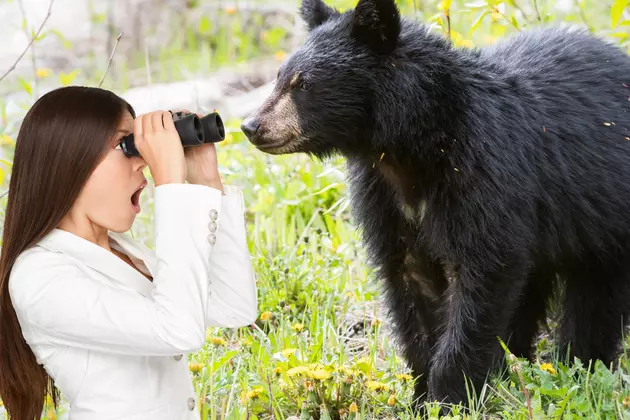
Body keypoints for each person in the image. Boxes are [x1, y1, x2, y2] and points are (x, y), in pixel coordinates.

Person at [0, 86, 258, 420]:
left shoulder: (126, 253)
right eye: (127, 146)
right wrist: (171, 187)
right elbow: (178, 330)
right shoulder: (38, 276)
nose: (144, 165)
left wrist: (207, 180)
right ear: (71, 159)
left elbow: (235, 306)